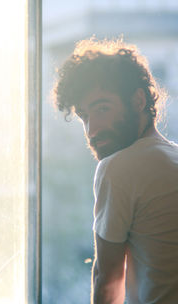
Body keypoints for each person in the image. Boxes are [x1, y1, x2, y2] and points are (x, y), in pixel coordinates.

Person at [52, 38, 178, 304]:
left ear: (138, 100)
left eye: (102, 109)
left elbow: (108, 278)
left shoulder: (117, 168)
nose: (92, 130)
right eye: (84, 116)